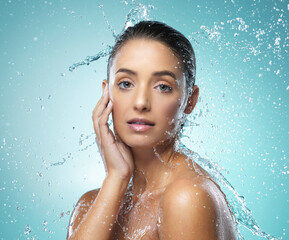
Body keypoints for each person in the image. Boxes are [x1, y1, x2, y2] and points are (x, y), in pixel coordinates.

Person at [67, 21, 237, 240]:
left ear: (190, 100)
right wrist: (116, 178)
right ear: (106, 92)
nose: (140, 102)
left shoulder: (187, 198)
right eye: (126, 84)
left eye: (163, 87)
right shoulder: (91, 204)